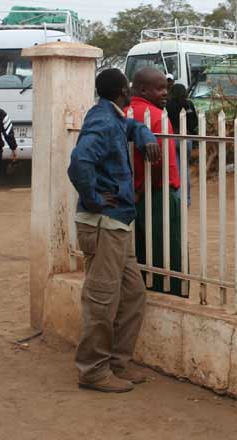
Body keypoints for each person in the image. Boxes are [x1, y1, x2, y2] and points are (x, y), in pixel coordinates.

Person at [68, 68, 159, 393]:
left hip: (116, 223)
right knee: (102, 298)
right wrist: (94, 198)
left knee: (132, 294)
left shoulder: (110, 116)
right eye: (129, 87)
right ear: (123, 91)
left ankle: (118, 363)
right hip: (104, 224)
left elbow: (130, 126)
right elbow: (79, 162)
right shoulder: (105, 121)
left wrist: (144, 134)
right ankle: (93, 370)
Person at [127, 68, 184, 297]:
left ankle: (144, 292)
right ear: (142, 90)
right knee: (167, 253)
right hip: (158, 193)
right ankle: (173, 296)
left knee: (139, 251)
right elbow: (161, 163)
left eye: (166, 88)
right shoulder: (157, 116)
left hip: (131, 193)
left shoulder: (124, 113)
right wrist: (143, 191)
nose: (165, 93)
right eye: (159, 88)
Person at [165, 83, 197, 206]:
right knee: (185, 169)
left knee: (176, 169)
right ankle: (187, 199)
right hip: (186, 138)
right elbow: (194, 122)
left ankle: (178, 199)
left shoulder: (168, 105)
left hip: (172, 138)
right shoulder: (189, 104)